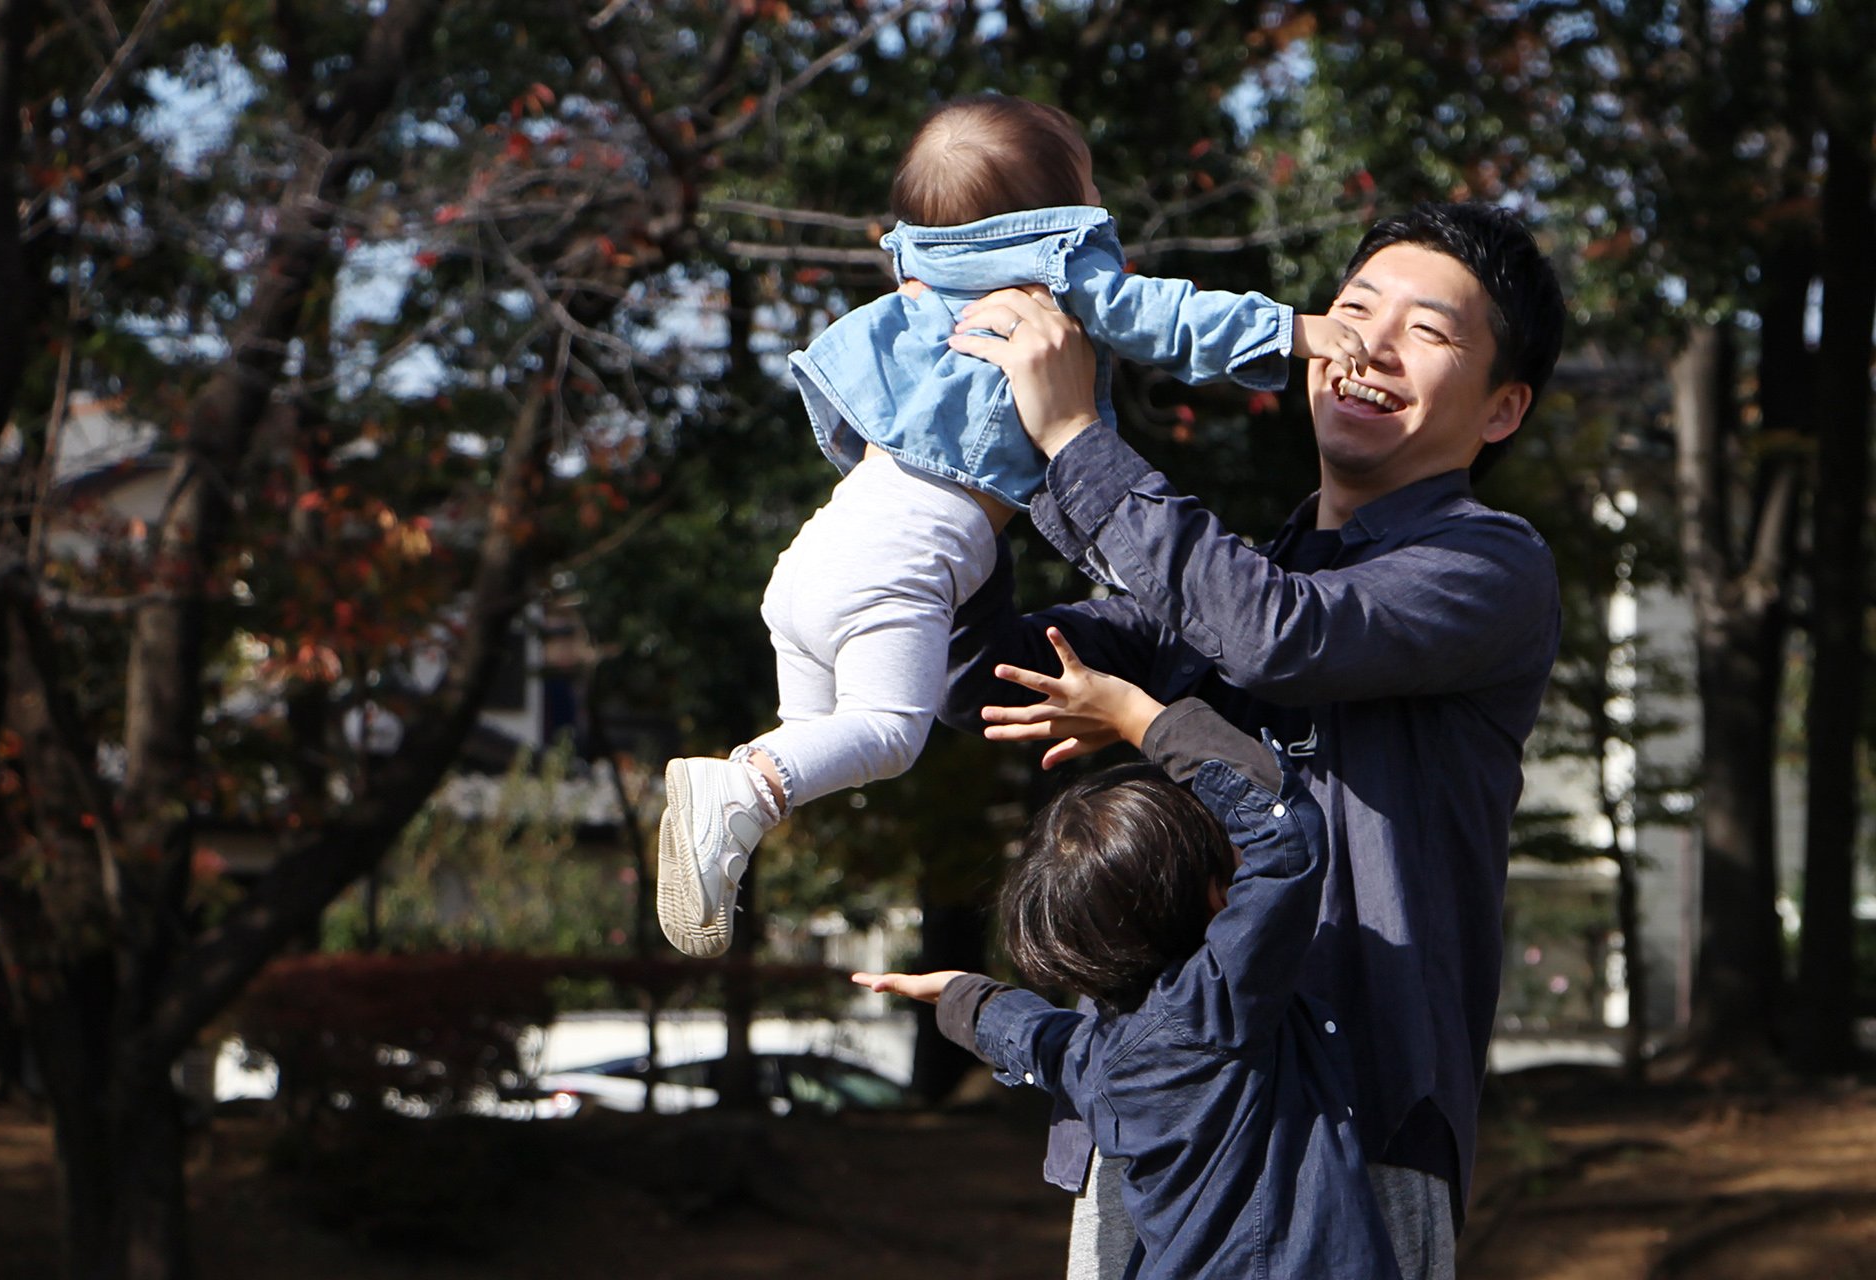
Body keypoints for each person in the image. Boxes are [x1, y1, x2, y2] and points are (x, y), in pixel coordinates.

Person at [940, 202, 1567, 1280]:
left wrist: (1075, 438)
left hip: (1352, 1128)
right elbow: (976, 671)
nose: (1368, 343)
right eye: (1355, 309)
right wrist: (956, 466)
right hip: (1157, 1117)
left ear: (1502, 407)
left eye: (1428, 330)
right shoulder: (1233, 575)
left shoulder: (1490, 564)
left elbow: (1281, 637)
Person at [656, 93, 1366, 958]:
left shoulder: (922, 272)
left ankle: (732, 816)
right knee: (883, 735)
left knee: (814, 738)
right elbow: (1170, 318)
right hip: (901, 568)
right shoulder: (1059, 271)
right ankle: (744, 789)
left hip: (817, 553)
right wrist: (1293, 330)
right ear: (1056, 209)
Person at [854, 628, 1398, 1279]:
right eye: (1229, 855)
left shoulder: (1108, 1054)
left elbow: (1044, 1044)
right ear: (1212, 898)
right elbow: (1286, 836)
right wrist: (1138, 717)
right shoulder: (1215, 1008)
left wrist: (963, 999)